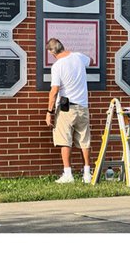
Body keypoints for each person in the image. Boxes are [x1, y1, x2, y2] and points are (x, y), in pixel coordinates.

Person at [44, 38, 94, 183]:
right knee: (85, 141)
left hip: (66, 108)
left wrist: (49, 112)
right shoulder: (78, 57)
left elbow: (54, 91)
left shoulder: (57, 66)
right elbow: (90, 60)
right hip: (83, 106)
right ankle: (87, 174)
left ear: (52, 52)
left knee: (65, 140)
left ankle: (68, 174)